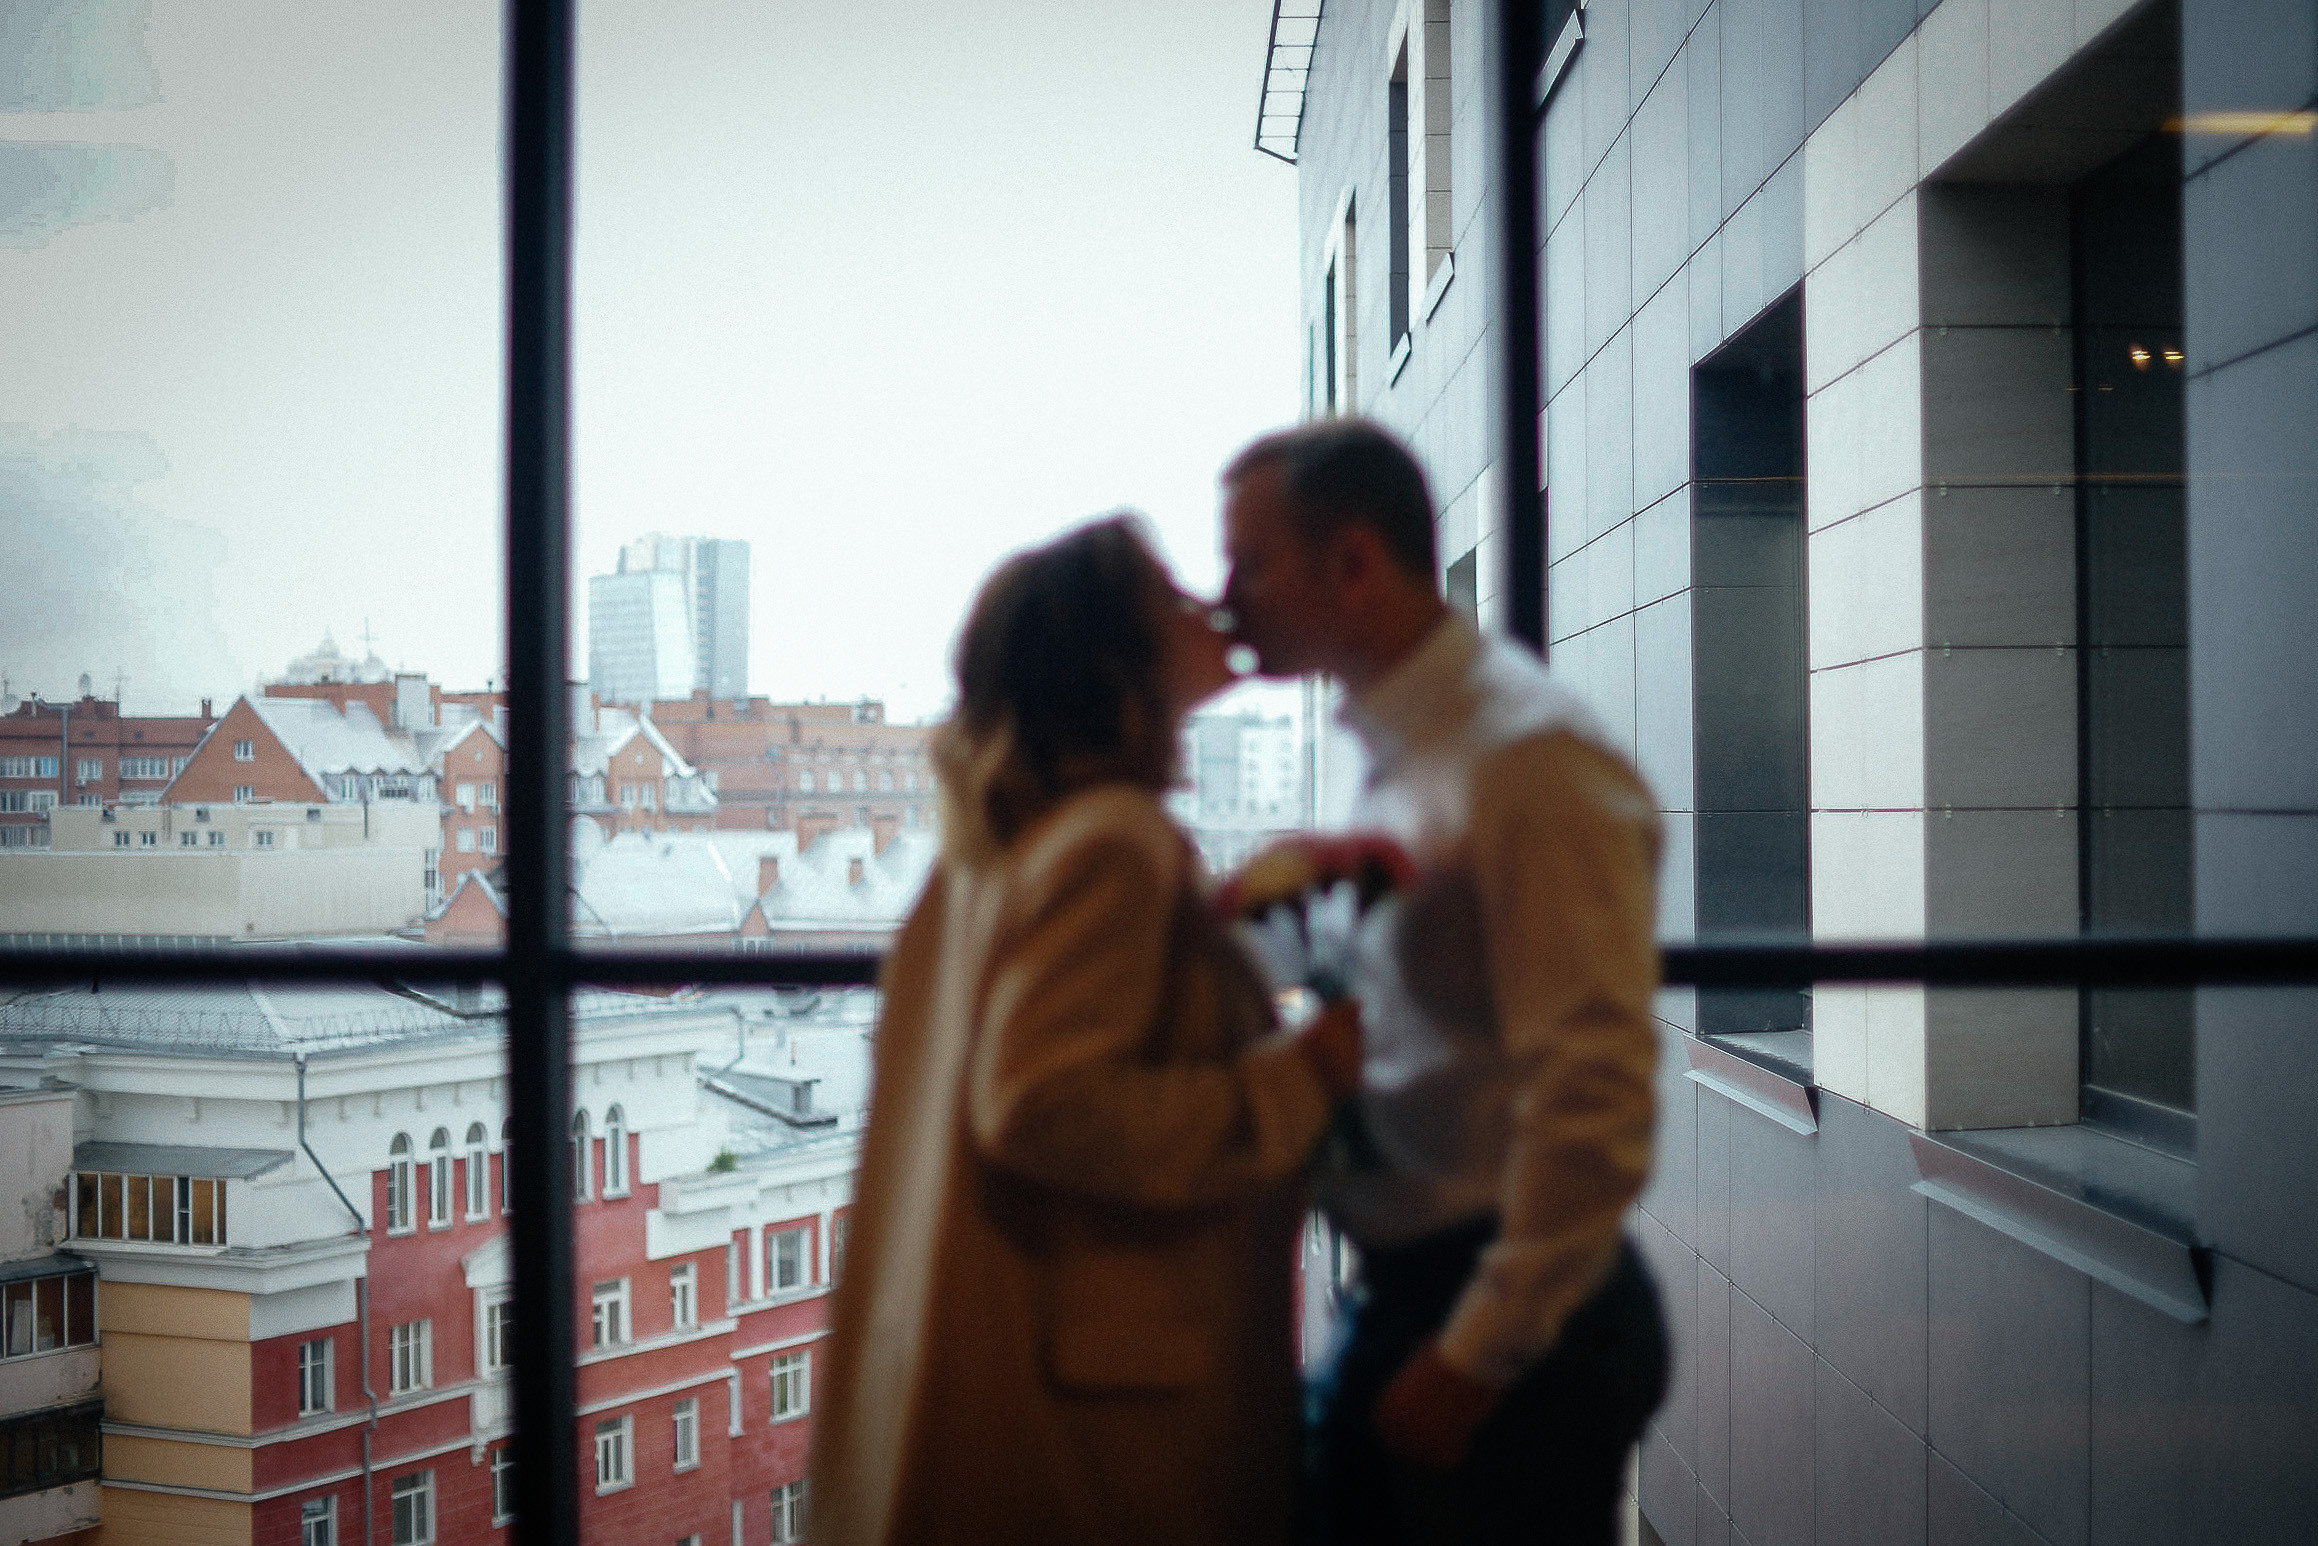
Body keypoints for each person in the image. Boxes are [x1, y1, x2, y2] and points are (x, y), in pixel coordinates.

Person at [811, 514, 1364, 1546]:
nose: (1206, 601)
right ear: (1117, 653)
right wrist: (1300, 1077)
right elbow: (1043, 1101)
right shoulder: (1113, 840)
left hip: (1004, 1388)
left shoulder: (988, 854)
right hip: (1106, 1428)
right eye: (1170, 589)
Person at [1220, 420, 1668, 1545]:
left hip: (1499, 1335)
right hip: (1421, 1294)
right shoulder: (1411, 753)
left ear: (1353, 564)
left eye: (1251, 562)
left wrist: (1472, 1360)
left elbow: (1596, 1095)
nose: (1226, 597)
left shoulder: (1523, 762)